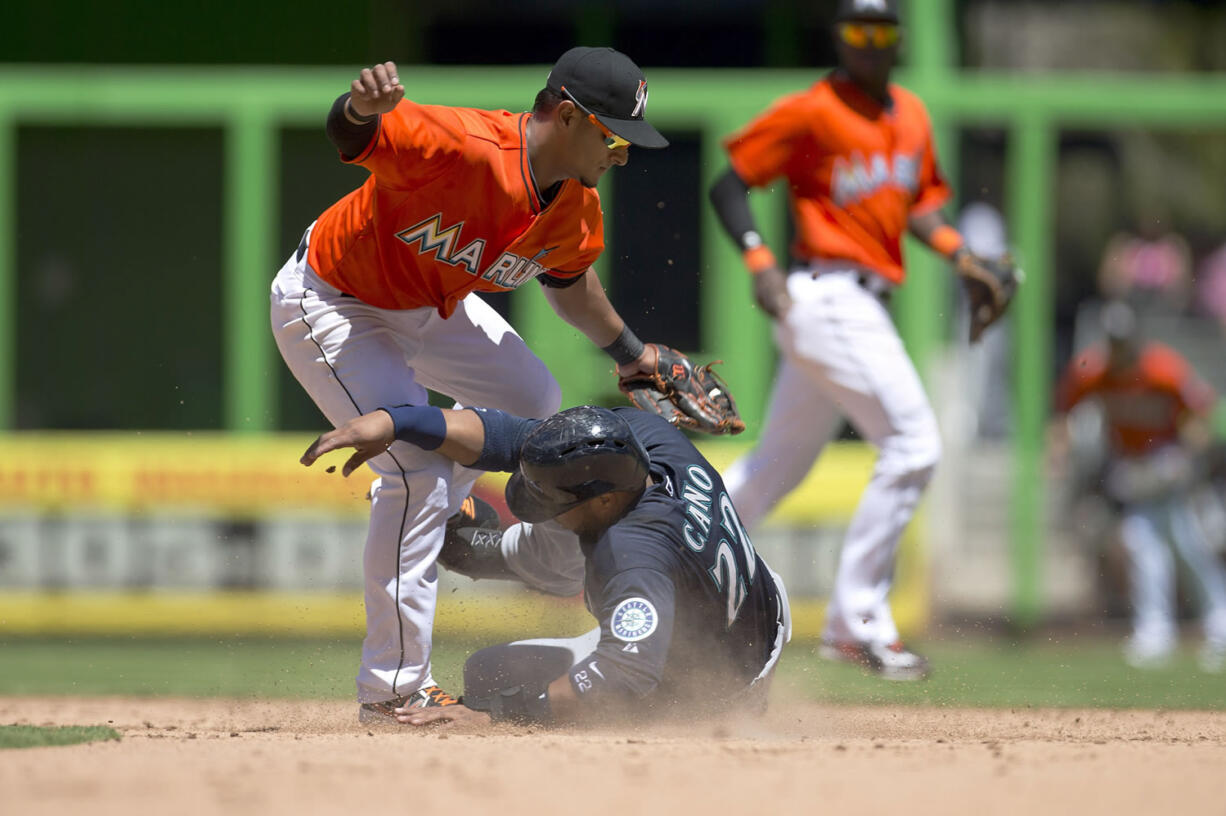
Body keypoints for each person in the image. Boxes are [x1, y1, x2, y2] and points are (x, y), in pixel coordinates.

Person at [270, 47, 670, 719]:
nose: (622, 153)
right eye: (613, 135)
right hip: (333, 298)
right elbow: (356, 133)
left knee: (534, 401)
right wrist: (358, 107)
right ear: (568, 116)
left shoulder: (575, 206)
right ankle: (393, 693)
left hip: (427, 307)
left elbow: (568, 285)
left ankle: (435, 508)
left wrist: (631, 355)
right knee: (418, 474)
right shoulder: (464, 145)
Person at [706, 0, 977, 680]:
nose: (867, 43)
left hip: (861, 301)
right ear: (839, 37)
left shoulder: (910, 114)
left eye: (880, 30)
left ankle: (677, 557)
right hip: (825, 293)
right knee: (914, 444)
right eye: (855, 30)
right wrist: (758, 260)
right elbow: (729, 182)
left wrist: (964, 257)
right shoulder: (813, 109)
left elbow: (918, 204)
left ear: (898, 38)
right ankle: (856, 621)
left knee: (776, 469)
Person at [299, 402, 791, 727]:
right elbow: (507, 437)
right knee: (508, 558)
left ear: (602, 501)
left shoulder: (631, 553)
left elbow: (624, 674)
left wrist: (493, 718)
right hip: (758, 611)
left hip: (709, 689)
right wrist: (399, 421)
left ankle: (737, 707)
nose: (541, 505)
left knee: (490, 677)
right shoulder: (644, 437)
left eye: (553, 498)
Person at [1057, 300, 1226, 672]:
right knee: (1142, 543)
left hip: (1168, 461)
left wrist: (1189, 457)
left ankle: (1217, 625)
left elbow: (1201, 410)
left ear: (1136, 340)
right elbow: (1064, 408)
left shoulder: (1161, 368)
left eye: (1124, 341)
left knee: (1187, 543)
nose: (1119, 349)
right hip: (1131, 467)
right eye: (1113, 342)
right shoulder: (1094, 372)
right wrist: (1058, 448)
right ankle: (1156, 632)